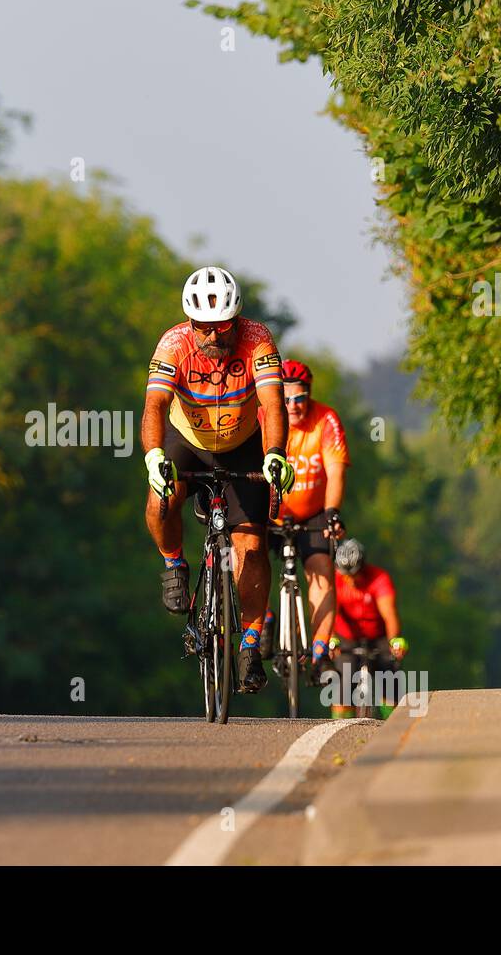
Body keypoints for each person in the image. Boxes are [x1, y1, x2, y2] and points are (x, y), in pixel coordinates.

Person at [142, 266, 294, 693]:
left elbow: (273, 403)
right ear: (190, 323)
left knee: (251, 544)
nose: (213, 336)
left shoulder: (257, 340)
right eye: (203, 327)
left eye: (222, 326)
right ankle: (174, 563)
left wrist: (275, 454)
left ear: (237, 319)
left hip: (243, 442)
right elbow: (154, 405)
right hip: (187, 439)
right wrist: (154, 456)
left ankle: (248, 641)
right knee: (160, 500)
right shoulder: (174, 344)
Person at [258, 359, 349, 670]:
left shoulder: (326, 419)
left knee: (321, 570)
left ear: (309, 395)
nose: (294, 406)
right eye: (285, 400)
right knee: (247, 556)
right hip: (269, 511)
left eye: (300, 398)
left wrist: (332, 513)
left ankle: (321, 650)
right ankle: (264, 617)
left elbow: (335, 472)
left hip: (312, 513)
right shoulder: (263, 418)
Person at [327, 538, 409, 719]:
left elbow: (390, 615)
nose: (349, 579)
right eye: (344, 574)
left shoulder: (379, 579)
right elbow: (329, 614)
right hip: (348, 638)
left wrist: (394, 640)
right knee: (342, 690)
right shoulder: (334, 580)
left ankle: (392, 730)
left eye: (354, 574)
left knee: (390, 688)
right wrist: (332, 639)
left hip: (378, 636)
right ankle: (340, 734)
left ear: (363, 567)